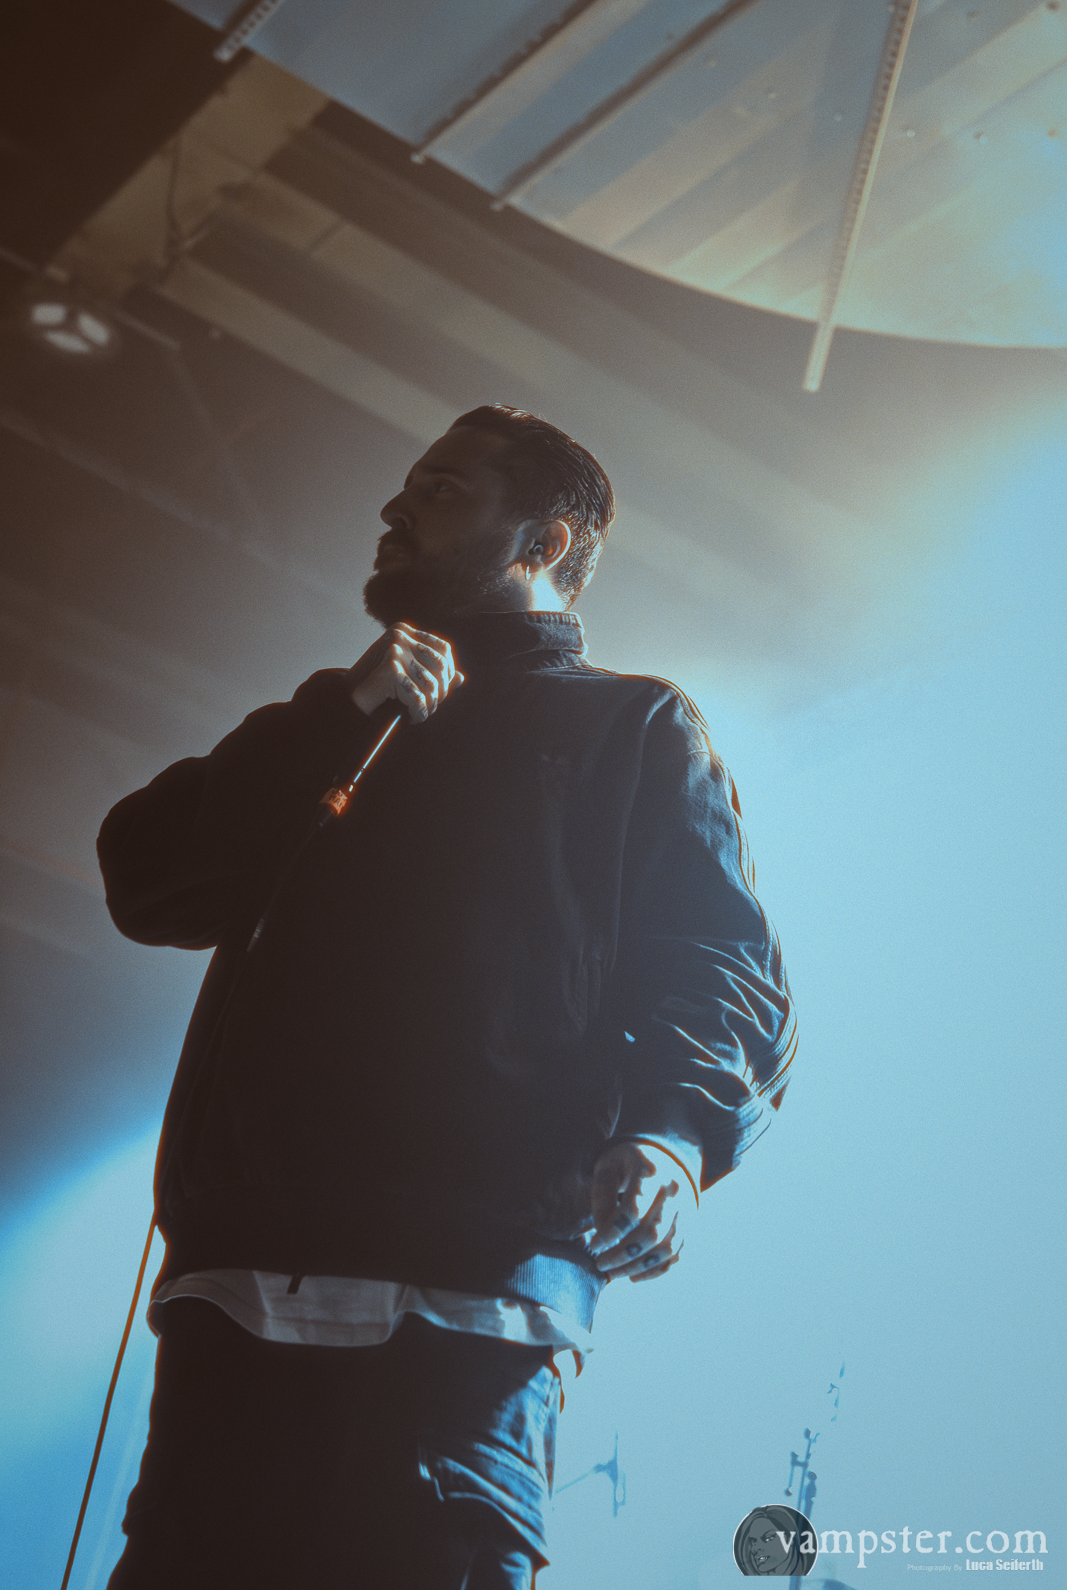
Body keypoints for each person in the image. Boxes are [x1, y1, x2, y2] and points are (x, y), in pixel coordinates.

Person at [98, 404, 796, 1589]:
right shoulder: (338, 719)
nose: (394, 508)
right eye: (406, 485)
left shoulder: (630, 724)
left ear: (543, 540)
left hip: (474, 1307)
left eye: (442, 490)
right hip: (242, 1289)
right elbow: (148, 876)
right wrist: (333, 718)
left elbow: (720, 961)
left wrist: (671, 1136)